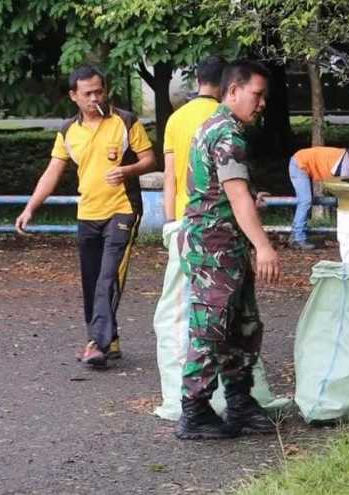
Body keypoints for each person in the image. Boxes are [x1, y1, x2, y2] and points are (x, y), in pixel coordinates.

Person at [15, 65, 156, 367]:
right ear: (74, 96)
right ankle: (107, 339)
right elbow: (53, 171)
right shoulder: (68, 130)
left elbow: (149, 159)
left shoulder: (125, 121)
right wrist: (30, 208)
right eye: (88, 93)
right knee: (92, 281)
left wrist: (128, 170)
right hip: (88, 212)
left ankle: (96, 344)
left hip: (123, 209)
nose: (95, 98)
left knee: (108, 277)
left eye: (99, 91)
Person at [176, 59, 281, 440]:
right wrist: (264, 246)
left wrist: (251, 198)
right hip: (213, 248)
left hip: (224, 246)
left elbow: (228, 192)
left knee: (242, 325)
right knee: (211, 328)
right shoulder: (226, 134)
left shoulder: (218, 126)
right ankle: (194, 411)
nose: (262, 103)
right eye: (257, 95)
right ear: (233, 91)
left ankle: (240, 402)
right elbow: (235, 198)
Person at [152, 55, 229, 420]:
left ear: (197, 80)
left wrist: (170, 222)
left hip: (183, 223)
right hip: (218, 224)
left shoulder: (176, 119)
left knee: (177, 312)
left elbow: (170, 176)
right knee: (220, 307)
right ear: (227, 82)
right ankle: (226, 394)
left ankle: (178, 395)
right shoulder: (226, 118)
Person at [288, 146, 349, 250]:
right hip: (299, 163)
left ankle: (295, 235)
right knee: (305, 201)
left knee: (305, 200)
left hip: (301, 161)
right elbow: (342, 191)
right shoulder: (346, 166)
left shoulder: (347, 159)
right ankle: (298, 238)